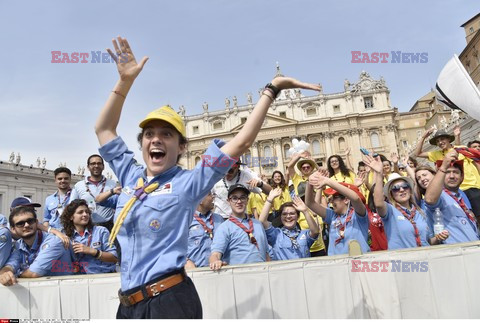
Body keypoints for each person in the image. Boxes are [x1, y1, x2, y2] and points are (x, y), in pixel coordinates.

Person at [95, 36, 320, 319]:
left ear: (182, 147)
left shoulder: (188, 183)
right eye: (149, 134)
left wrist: (272, 89)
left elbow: (241, 142)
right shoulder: (129, 176)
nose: (156, 140)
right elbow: (104, 129)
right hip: (128, 304)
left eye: (166, 135)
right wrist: (125, 81)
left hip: (168, 301)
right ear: (141, 144)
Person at [363, 155, 436, 250]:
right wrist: (379, 173)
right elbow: (378, 202)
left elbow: (429, 240)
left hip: (425, 259)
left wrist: (439, 238)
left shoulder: (420, 211)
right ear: (391, 194)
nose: (401, 190)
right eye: (396, 188)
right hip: (402, 262)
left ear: (410, 190)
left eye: (405, 186)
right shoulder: (390, 211)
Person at [414, 128, 480, 220]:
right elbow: (418, 153)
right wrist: (423, 137)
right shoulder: (437, 154)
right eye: (437, 141)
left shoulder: (461, 149)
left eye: (442, 139)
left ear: (449, 139)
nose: (440, 142)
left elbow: (476, 162)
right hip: (454, 191)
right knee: (465, 218)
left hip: (471, 187)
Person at [0, 206, 73, 285]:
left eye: (30, 221)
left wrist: (15, 276)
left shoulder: (54, 241)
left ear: (37, 223)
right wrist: (4, 273)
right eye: (20, 223)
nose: (26, 225)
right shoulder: (19, 244)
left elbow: (33, 273)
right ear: (13, 229)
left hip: (65, 290)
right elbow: (11, 264)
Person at [305, 170, 370, 255]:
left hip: (359, 263)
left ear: (346, 199)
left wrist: (328, 181)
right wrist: (310, 182)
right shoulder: (332, 215)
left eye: (335, 197)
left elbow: (355, 199)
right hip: (337, 264)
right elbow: (310, 203)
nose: (331, 201)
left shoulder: (358, 214)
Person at [209, 184, 269, 269]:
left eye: (243, 197)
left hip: (262, 274)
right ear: (228, 201)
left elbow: (266, 253)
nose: (239, 201)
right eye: (234, 198)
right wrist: (215, 261)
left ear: (247, 200)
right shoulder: (224, 228)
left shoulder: (258, 225)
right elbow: (215, 254)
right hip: (240, 277)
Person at [423, 152, 478, 243]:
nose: (452, 176)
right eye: (447, 172)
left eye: (456, 172)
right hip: (457, 253)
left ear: (462, 177)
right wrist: (443, 167)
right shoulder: (440, 196)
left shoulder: (460, 198)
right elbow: (429, 199)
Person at [258, 188, 318, 260]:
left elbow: (315, 231)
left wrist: (305, 211)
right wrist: (270, 199)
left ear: (297, 216)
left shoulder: (304, 234)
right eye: (284, 214)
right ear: (280, 217)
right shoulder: (276, 234)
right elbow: (262, 221)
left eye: (292, 213)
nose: (288, 216)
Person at [61, 199, 118, 274]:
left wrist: (93, 251)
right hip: (78, 278)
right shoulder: (64, 235)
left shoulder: (101, 231)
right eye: (80, 212)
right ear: (71, 217)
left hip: (103, 276)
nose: (85, 214)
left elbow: (114, 258)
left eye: (87, 212)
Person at [70, 154, 119, 229]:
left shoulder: (112, 184)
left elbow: (117, 205)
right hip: (86, 226)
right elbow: (72, 207)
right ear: (88, 167)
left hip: (109, 226)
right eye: (93, 164)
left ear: (103, 167)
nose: (96, 166)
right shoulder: (79, 185)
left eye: (99, 163)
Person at [186, 191, 224, 269]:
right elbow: (176, 247)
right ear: (200, 200)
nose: (213, 197)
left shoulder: (219, 219)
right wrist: (185, 261)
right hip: (196, 272)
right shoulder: (186, 220)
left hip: (218, 269)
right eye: (209, 194)